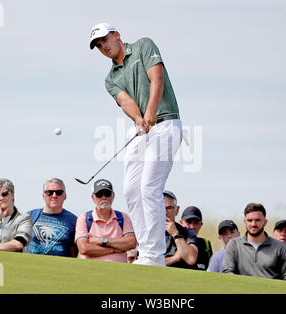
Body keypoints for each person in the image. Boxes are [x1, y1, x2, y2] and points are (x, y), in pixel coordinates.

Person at [90, 23, 182, 266]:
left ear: (117, 35)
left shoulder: (143, 45)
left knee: (149, 188)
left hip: (166, 124)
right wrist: (139, 119)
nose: (103, 46)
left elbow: (157, 78)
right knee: (132, 190)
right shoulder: (111, 79)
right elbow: (126, 101)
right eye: (98, 45)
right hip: (144, 129)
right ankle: (145, 251)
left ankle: (155, 255)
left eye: (104, 40)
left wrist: (151, 110)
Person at [222, 203, 286, 280]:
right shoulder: (233, 245)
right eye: (249, 220)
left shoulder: (280, 247)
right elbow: (228, 274)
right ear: (245, 222)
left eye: (257, 220)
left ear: (265, 222)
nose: (253, 224)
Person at [75, 179, 136, 263]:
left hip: (120, 272)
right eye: (99, 194)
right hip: (91, 271)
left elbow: (131, 243)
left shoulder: (123, 217)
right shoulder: (84, 218)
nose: (104, 198)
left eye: (107, 194)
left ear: (113, 196)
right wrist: (115, 250)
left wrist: (101, 241)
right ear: (93, 197)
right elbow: (84, 248)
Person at [27, 178, 78, 257]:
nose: (54, 196)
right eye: (49, 192)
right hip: (31, 265)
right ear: (43, 196)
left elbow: (75, 251)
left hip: (60, 267)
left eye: (59, 192)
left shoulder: (74, 220)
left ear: (65, 196)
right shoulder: (30, 216)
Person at [163, 190, 198, 268]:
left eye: (169, 208)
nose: (165, 212)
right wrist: (174, 259)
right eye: (161, 208)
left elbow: (191, 258)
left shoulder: (188, 232)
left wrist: (175, 233)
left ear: (177, 210)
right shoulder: (148, 232)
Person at [179, 206, 213, 271]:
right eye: (188, 222)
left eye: (196, 223)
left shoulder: (206, 245)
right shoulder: (173, 242)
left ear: (201, 225)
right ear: (181, 223)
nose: (192, 227)